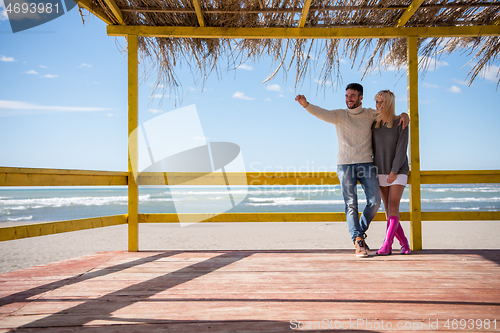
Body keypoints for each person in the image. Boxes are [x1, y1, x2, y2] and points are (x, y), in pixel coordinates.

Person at [295, 83, 409, 258]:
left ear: (360, 98)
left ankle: (358, 234)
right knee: (351, 204)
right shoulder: (340, 115)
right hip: (345, 165)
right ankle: (358, 239)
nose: (349, 99)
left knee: (375, 202)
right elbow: (322, 112)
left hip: (367, 164)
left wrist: (404, 114)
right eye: (347, 95)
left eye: (353, 96)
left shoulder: (371, 114)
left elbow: (389, 113)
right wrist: (306, 105)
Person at [372, 90, 411, 255]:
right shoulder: (374, 124)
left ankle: (387, 245)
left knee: (394, 206)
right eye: (377, 102)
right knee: (388, 211)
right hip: (380, 170)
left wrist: (394, 171)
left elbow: (402, 148)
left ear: (390, 104)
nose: (379, 106)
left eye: (382, 102)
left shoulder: (401, 122)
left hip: (398, 170)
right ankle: (405, 244)